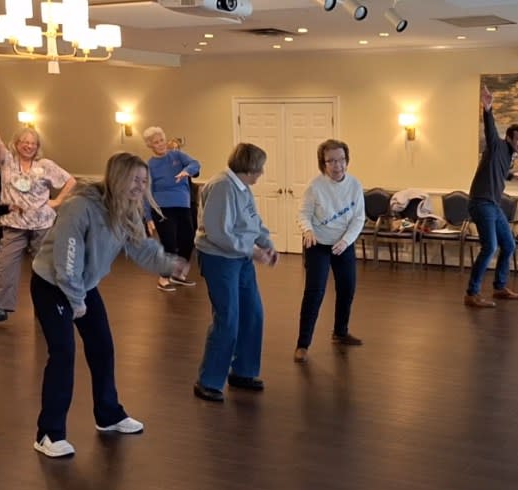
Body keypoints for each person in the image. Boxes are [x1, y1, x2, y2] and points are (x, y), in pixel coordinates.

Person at [30, 152, 188, 458]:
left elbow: (140, 247)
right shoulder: (80, 207)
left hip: (83, 284)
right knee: (63, 354)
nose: (140, 186)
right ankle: (49, 433)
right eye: (135, 180)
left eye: (144, 181)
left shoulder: (127, 208)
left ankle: (108, 414)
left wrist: (168, 265)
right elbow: (67, 259)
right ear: (117, 177)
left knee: (102, 347)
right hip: (53, 285)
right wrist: (76, 300)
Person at [0, 104, 76, 328]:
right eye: (24, 143)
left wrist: (57, 201)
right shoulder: (7, 162)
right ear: (17, 144)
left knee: (44, 269)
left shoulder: (46, 165)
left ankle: (47, 309)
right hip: (14, 225)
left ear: (37, 146)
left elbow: (71, 181)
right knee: (5, 267)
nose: (28, 146)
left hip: (42, 225)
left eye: (32, 143)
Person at [193, 143, 278, 402]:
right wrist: (251, 251)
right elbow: (219, 233)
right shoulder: (222, 187)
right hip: (220, 259)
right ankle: (208, 380)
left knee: (253, 314)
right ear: (249, 167)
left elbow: (253, 221)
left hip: (239, 258)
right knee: (227, 319)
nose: (261, 173)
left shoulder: (242, 188)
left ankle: (242, 371)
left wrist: (267, 243)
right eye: (259, 167)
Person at [293, 139, 366, 363]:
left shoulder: (354, 186)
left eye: (342, 160)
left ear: (347, 160)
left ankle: (340, 332)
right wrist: (307, 230)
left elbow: (358, 218)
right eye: (332, 161)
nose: (338, 165)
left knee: (347, 289)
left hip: (343, 244)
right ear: (323, 163)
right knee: (314, 293)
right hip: (318, 245)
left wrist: (345, 241)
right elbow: (303, 213)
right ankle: (302, 344)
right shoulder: (315, 187)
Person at [464, 85, 518, 308]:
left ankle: (500, 288)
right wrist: (488, 108)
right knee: (489, 247)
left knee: (509, 245)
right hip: (481, 204)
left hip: (493, 204)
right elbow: (490, 130)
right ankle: (472, 294)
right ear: (509, 138)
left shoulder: (508, 154)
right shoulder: (496, 145)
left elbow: (497, 170)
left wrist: (511, 175)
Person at [142, 126, 200, 292]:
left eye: (161, 140)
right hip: (161, 209)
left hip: (183, 205)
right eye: (156, 142)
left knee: (187, 241)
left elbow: (196, 164)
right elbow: (147, 193)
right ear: (150, 146)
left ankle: (178, 275)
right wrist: (148, 218)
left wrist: (186, 171)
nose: (160, 144)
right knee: (169, 243)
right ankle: (163, 278)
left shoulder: (177, 155)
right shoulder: (149, 166)